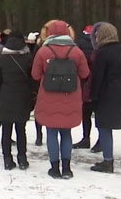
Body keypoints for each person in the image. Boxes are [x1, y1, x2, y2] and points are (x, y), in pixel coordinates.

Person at [31, 20, 90, 179]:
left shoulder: (43, 51)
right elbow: (85, 74)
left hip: (48, 97)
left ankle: (54, 168)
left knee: (51, 132)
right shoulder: (77, 51)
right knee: (66, 133)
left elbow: (35, 75)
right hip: (70, 97)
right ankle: (67, 168)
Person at [88, 23, 121, 173]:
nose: (96, 37)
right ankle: (107, 158)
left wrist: (93, 96)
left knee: (104, 127)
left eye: (98, 34)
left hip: (105, 93)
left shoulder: (102, 52)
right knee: (107, 127)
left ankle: (108, 160)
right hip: (120, 92)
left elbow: (97, 77)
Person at [0, 32, 34, 170]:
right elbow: (33, 81)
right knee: (21, 130)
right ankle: (22, 158)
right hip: (23, 97)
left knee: (6, 131)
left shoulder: (0, 60)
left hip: (5, 98)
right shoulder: (28, 59)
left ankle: (7, 159)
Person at [73, 25, 95, 149]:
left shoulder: (79, 42)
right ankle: (101, 139)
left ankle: (86, 137)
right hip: (96, 78)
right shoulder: (98, 43)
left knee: (85, 112)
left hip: (83, 79)